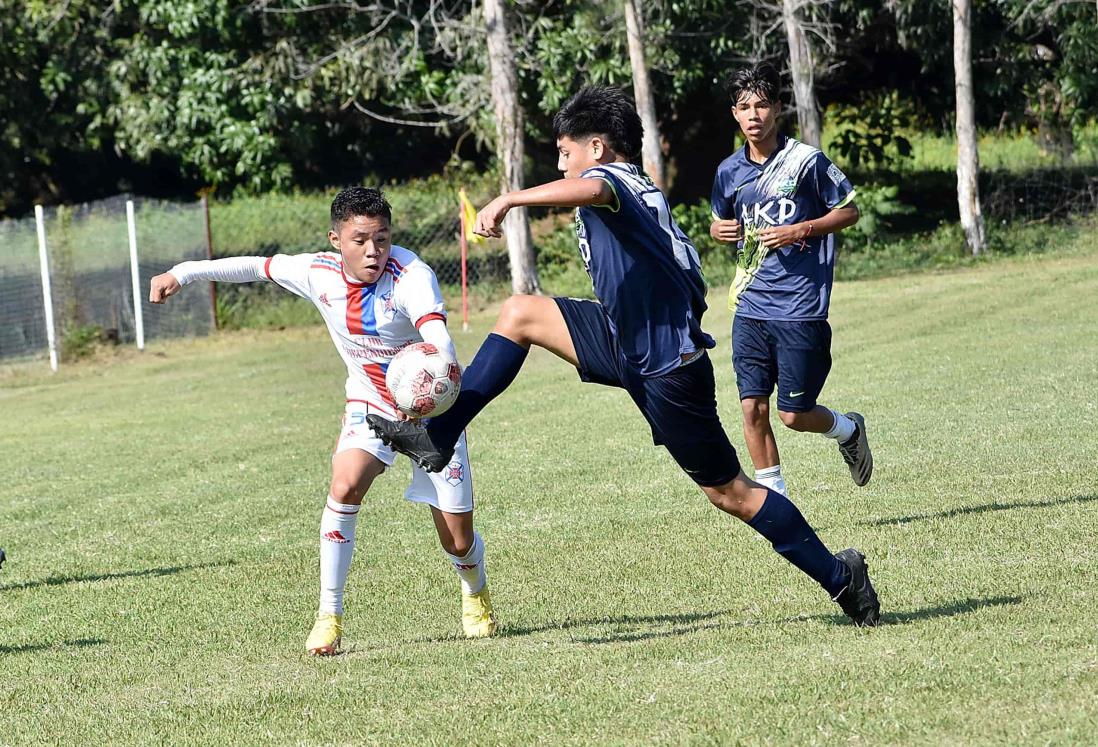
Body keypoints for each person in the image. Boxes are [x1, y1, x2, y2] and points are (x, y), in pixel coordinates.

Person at [370, 86, 880, 626]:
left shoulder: (614, 181)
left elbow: (592, 191)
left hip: (667, 368)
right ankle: (438, 436)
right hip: (624, 339)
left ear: (596, 148)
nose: (561, 163)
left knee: (733, 494)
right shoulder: (624, 184)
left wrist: (509, 199)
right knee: (519, 313)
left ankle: (841, 578)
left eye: (565, 152)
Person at [149, 186, 497, 655]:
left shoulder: (412, 275)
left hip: (434, 415)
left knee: (456, 540)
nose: (374, 251)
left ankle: (474, 591)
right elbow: (255, 266)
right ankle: (328, 616)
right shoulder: (317, 272)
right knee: (344, 485)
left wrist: (429, 381)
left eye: (382, 238)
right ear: (336, 240)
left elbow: (441, 343)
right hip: (370, 405)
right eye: (360, 240)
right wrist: (182, 272)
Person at [709, 63, 871, 499]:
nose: (754, 115)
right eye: (744, 107)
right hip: (750, 304)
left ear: (778, 109)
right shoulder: (728, 171)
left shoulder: (805, 162)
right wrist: (717, 230)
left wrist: (801, 229)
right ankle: (775, 504)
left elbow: (850, 211)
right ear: (734, 115)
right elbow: (719, 221)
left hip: (799, 306)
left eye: (762, 105)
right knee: (751, 408)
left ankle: (848, 429)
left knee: (793, 415)